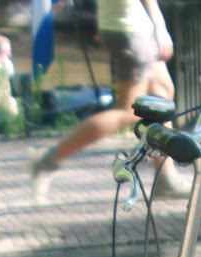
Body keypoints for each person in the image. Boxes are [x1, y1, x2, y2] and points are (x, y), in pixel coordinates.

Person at [28, 0, 188, 203]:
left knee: (162, 93)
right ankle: (46, 161)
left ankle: (165, 178)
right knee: (127, 111)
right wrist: (160, 26)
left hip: (123, 22)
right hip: (132, 27)